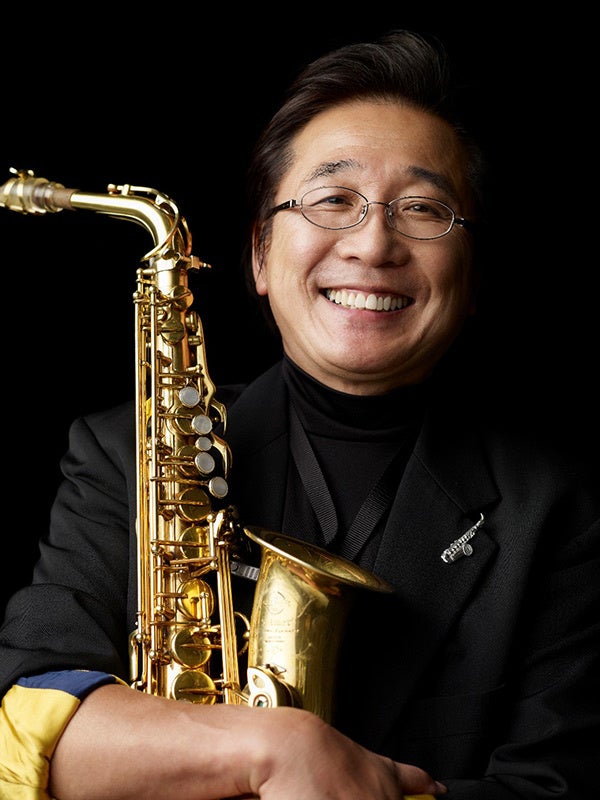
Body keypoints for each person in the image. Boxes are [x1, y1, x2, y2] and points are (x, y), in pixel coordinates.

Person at [1, 29, 599, 800]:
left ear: (473, 276)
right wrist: (274, 749)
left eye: (423, 208)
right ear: (259, 253)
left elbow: (556, 785)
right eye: (333, 200)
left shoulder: (553, 509)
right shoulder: (127, 451)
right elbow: (33, 722)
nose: (373, 244)